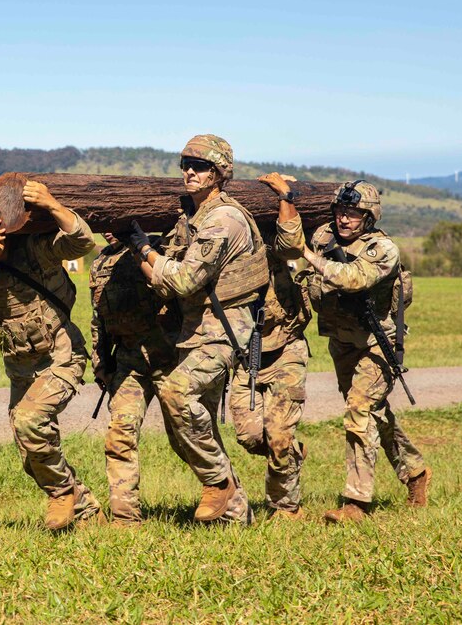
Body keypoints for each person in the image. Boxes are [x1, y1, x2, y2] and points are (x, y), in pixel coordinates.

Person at [124, 134, 263, 526]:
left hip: (224, 330)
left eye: (199, 166)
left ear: (219, 173)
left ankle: (218, 483)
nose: (189, 171)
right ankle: (236, 514)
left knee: (176, 392)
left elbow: (183, 280)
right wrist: (138, 250)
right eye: (185, 164)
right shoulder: (195, 218)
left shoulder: (223, 220)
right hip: (196, 329)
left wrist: (146, 250)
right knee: (185, 425)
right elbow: (167, 281)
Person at [0, 185, 104, 530]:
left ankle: (61, 492)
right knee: (30, 457)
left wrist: (50, 204)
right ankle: (88, 511)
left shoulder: (36, 250)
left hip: (61, 358)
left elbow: (82, 242)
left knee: (30, 422)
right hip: (20, 370)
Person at [277, 179, 430, 523]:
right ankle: (415, 472)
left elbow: (352, 278)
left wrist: (307, 255)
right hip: (342, 342)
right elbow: (293, 257)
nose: (345, 219)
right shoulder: (323, 237)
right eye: (341, 211)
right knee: (372, 413)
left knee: (359, 411)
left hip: (378, 344)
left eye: (354, 213)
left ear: (369, 216)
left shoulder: (382, 248)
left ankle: (356, 504)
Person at [226, 172, 314, 520]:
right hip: (246, 355)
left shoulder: (274, 246)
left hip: (285, 348)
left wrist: (286, 197)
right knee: (249, 437)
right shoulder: (227, 243)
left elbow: (293, 245)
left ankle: (286, 508)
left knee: (278, 435)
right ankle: (290, 454)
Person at [89, 231, 181, 527]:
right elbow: (99, 317)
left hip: (170, 356)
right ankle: (126, 520)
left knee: (188, 436)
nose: (108, 228)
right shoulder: (99, 263)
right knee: (120, 435)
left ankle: (227, 498)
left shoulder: (157, 247)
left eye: (116, 222)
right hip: (128, 359)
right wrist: (100, 359)